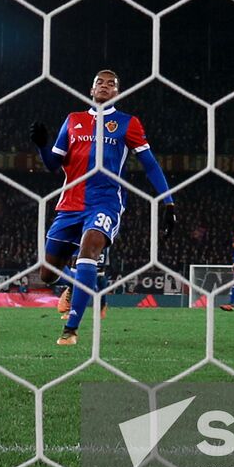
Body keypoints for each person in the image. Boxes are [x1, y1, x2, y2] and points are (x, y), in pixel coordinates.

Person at [30, 69, 175, 346]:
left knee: (90, 248)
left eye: (111, 84)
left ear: (117, 92)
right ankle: (82, 284)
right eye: (100, 82)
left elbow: (151, 164)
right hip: (70, 204)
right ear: (91, 89)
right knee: (48, 274)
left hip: (106, 201)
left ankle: (70, 330)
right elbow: (52, 164)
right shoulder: (73, 121)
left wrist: (168, 201)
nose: (105, 86)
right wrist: (41, 145)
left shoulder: (127, 123)